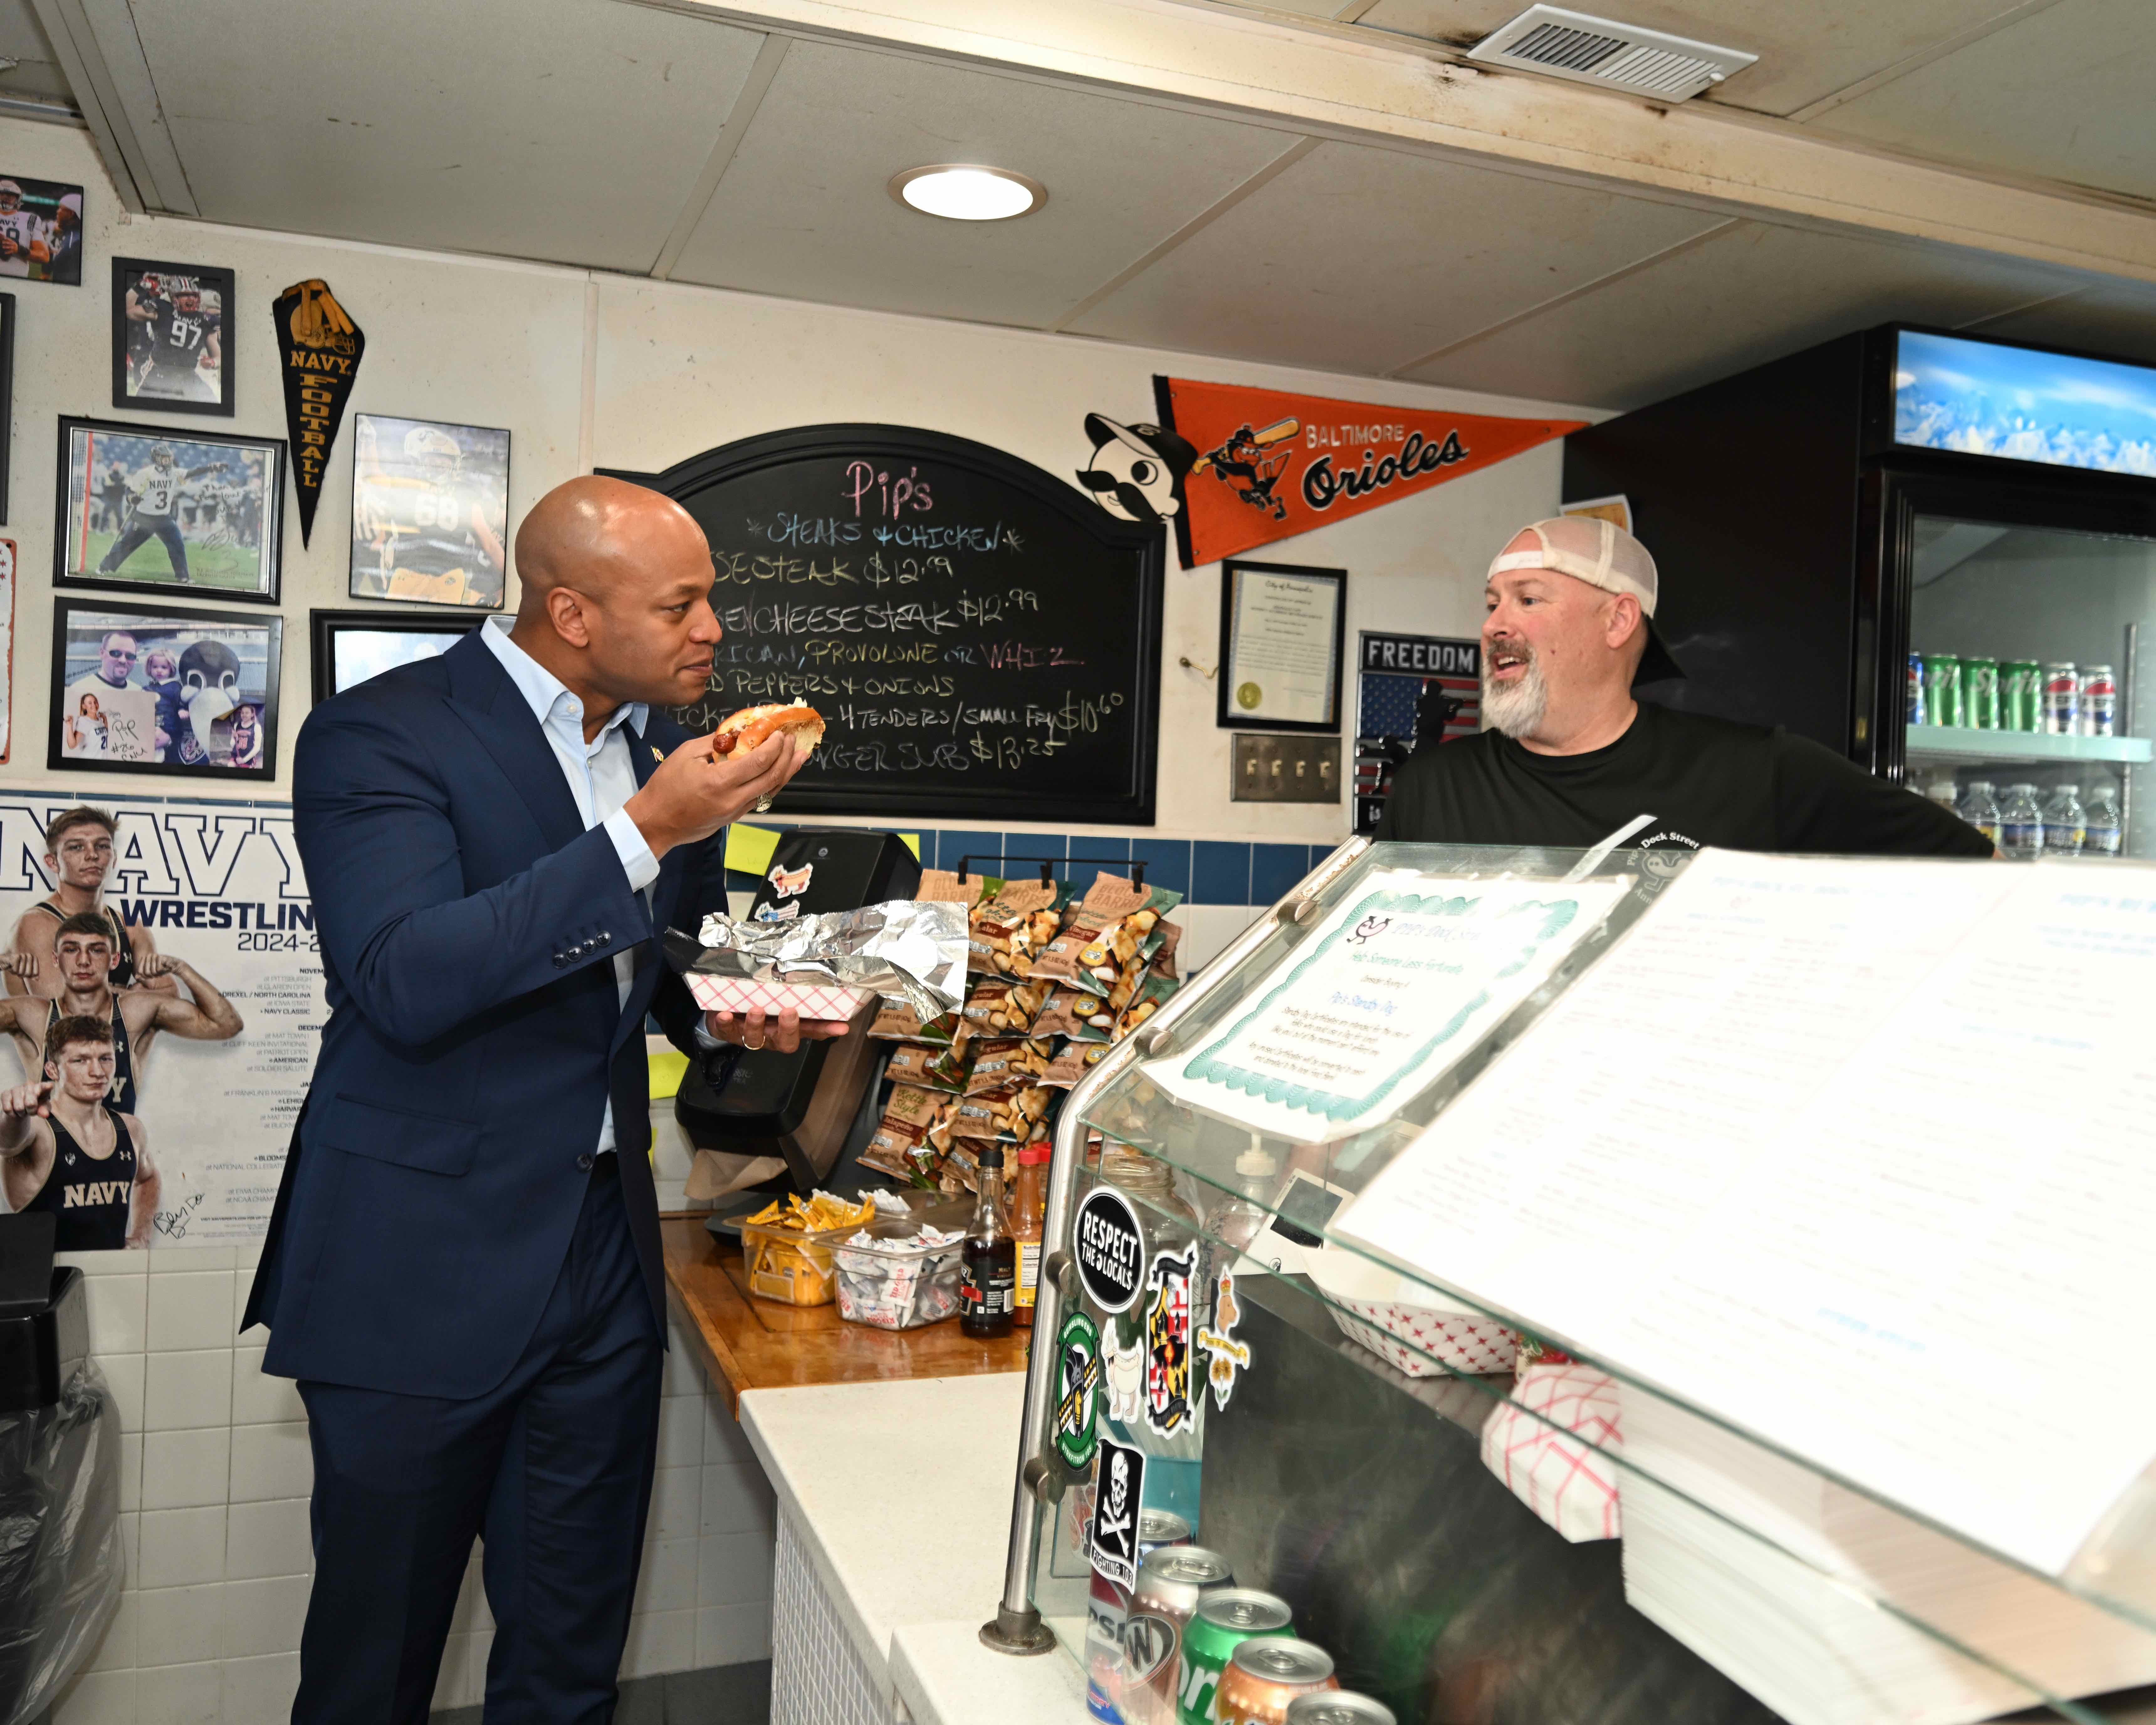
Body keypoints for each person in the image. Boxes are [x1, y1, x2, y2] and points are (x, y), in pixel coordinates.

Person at [243, 474, 845, 1724]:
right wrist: (642, 831)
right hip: (416, 1264)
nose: (713, 631)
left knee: (571, 1658)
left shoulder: (660, 755)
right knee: (373, 1666)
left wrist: (739, 1015)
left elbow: (642, 980)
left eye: (710, 602)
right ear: (573, 612)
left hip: (601, 1264)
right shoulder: (379, 734)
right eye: (681, 603)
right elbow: (405, 977)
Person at [1379, 516, 1993, 858]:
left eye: (1527, 600)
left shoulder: (1756, 772)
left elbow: (1977, 867)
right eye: (1490, 604)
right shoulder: (1432, 786)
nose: (1493, 625)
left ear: (1617, 620)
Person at [0, 915, 242, 1110]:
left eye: (96, 950)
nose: (84, 961)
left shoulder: (136, 1010)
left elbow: (227, 1024)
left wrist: (182, 969)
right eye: (72, 950)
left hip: (118, 1162)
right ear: (56, 959)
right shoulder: (33, 1014)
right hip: (51, 1162)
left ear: (115, 959)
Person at [0, 1016, 160, 1250]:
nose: (97, 1072)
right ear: (52, 1070)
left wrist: (142, 1235)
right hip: (49, 1284)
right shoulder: (38, 1128)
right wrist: (14, 1113)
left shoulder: (130, 1129)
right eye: (80, 1061)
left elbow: (148, 1178)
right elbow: (8, 1143)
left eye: (105, 1059)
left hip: (110, 1280)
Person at [7, 807, 167, 998]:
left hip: (118, 1030)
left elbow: (170, 996)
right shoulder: (36, 924)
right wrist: (141, 997)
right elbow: (67, 1008)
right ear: (53, 862)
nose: (92, 855)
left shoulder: (130, 927)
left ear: (114, 858)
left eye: (102, 846)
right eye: (77, 847)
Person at [96, 443, 193, 583]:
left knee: (177, 543)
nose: (167, 462)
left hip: (163, 518)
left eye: (168, 459)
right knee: (127, 544)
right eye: (163, 458)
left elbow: (182, 481)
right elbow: (130, 491)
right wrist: (133, 498)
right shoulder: (145, 474)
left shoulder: (172, 474)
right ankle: (104, 567)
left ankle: (183, 576)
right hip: (144, 518)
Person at [224, 701, 262, 768]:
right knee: (230, 766)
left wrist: (244, 760)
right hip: (236, 756)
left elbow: (257, 748)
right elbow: (232, 745)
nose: (244, 715)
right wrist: (234, 737)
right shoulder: (237, 725)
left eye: (247, 713)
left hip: (249, 758)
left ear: (253, 714)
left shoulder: (257, 727)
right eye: (242, 713)